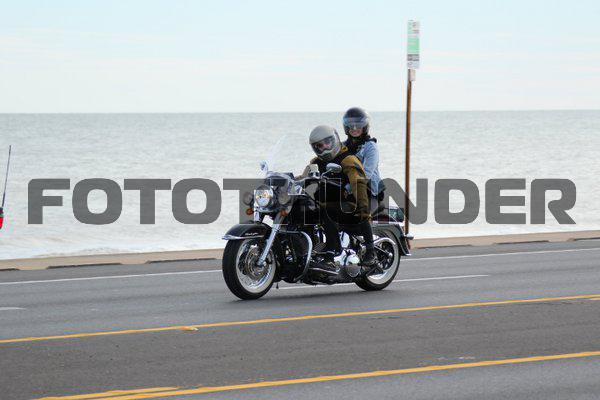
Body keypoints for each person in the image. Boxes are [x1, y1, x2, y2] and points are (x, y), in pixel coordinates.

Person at [304, 125, 377, 271]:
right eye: (319, 146)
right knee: (303, 210)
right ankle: (308, 251)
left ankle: (365, 252)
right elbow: (304, 177)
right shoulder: (315, 162)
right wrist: (283, 180)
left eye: (327, 143)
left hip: (349, 202)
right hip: (328, 202)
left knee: (327, 210)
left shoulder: (347, 159)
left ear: (335, 140)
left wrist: (363, 209)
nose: (324, 148)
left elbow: (358, 183)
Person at [342, 107, 385, 211]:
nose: (354, 128)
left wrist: (347, 188)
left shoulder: (370, 147)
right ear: (346, 127)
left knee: (362, 216)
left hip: (369, 192)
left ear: (365, 126)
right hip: (348, 190)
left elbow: (366, 173)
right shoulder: (342, 146)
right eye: (351, 125)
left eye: (358, 125)